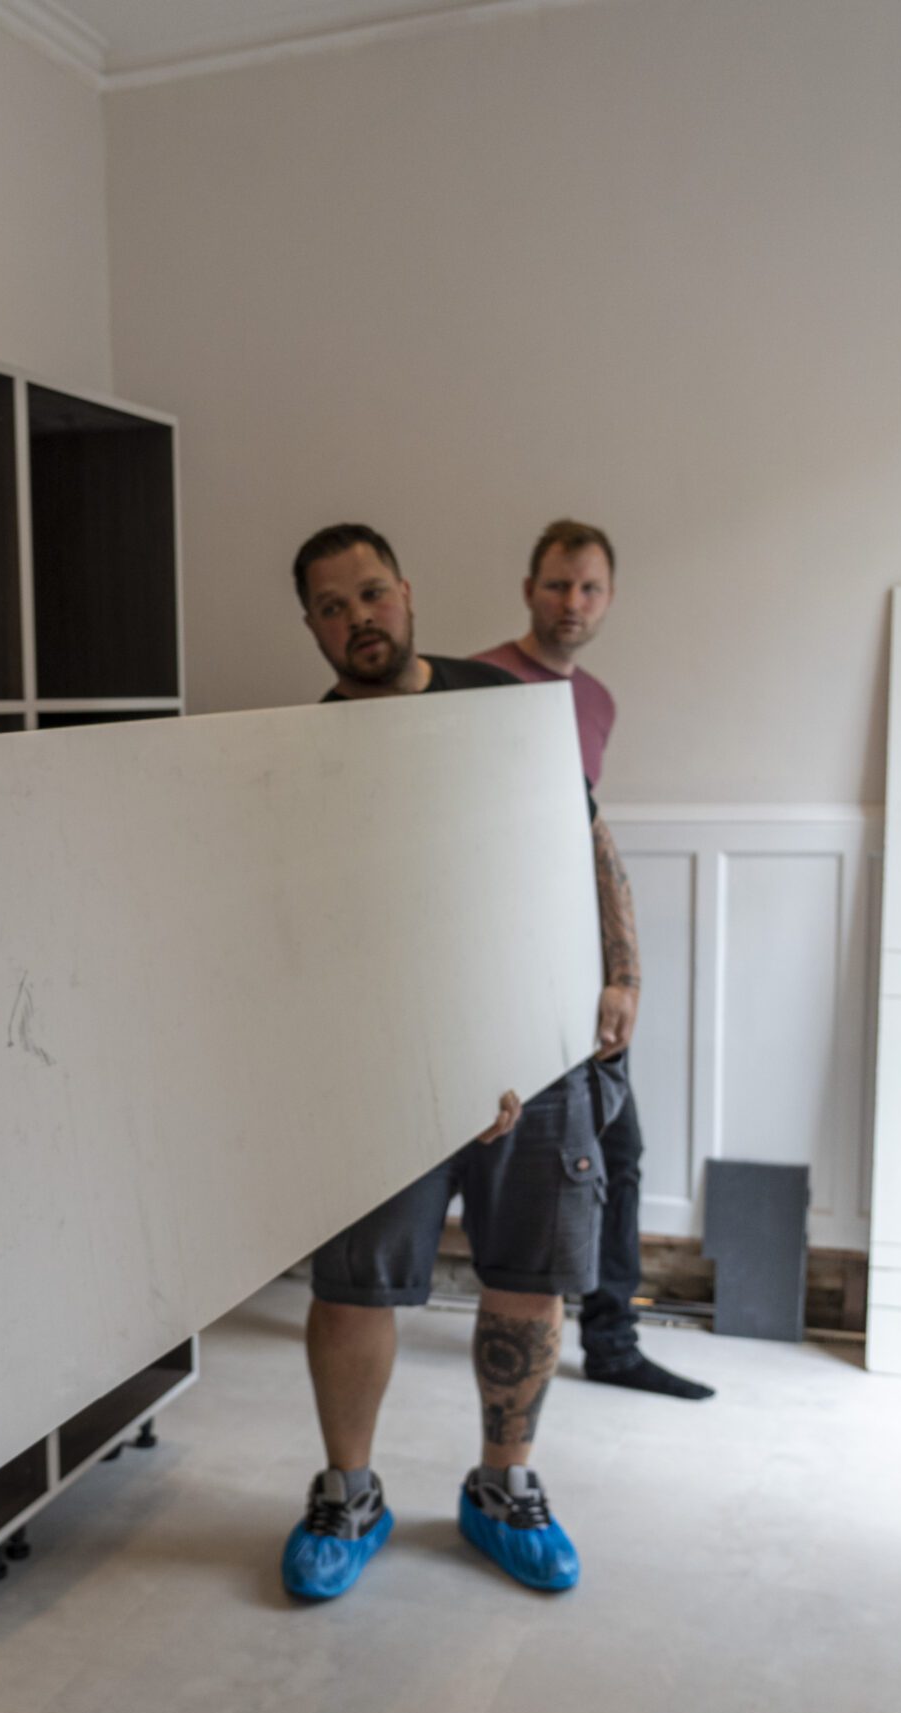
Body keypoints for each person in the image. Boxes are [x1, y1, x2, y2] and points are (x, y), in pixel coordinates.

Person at [281, 523, 631, 1604]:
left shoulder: (504, 702)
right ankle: (349, 1493)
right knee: (354, 1284)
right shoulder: (299, 754)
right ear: (311, 627)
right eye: (332, 606)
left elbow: (587, 840)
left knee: (528, 1275)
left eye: (371, 593)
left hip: (538, 1042)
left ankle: (503, 1487)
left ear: (407, 591)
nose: (359, 618)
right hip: (384, 1061)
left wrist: (621, 973)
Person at [472, 521, 713, 1401]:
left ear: (609, 599)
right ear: (527, 589)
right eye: (556, 585)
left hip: (578, 963)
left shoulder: (599, 701)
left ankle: (611, 1342)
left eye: (589, 588)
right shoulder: (479, 682)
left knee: (621, 1148)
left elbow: (587, 843)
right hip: (497, 966)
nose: (571, 603)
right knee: (484, 1156)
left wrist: (619, 970)